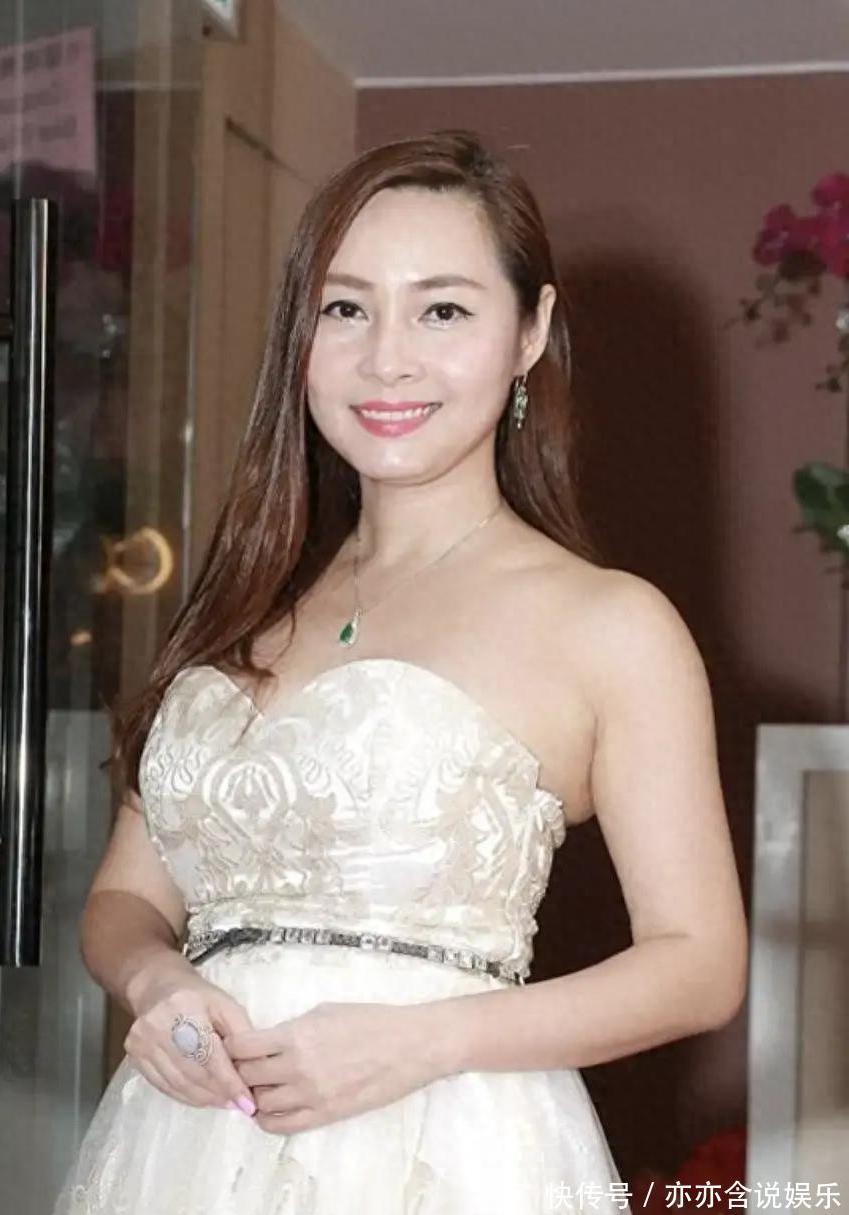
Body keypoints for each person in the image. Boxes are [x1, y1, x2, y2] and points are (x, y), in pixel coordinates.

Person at [53, 129, 748, 1214]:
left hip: (446, 1144)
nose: (386, 359)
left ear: (530, 333)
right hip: (185, 1143)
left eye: (442, 311)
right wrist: (156, 982)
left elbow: (699, 963)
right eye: (345, 308)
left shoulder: (608, 624)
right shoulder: (241, 601)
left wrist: (424, 1041)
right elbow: (125, 897)